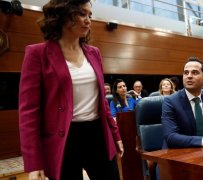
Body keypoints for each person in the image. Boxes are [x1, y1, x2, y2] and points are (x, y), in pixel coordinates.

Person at [18, 1, 124, 179]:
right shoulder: (37, 54)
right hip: (63, 139)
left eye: (90, 15)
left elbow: (102, 101)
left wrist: (115, 134)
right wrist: (34, 162)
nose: (88, 20)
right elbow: (29, 112)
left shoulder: (94, 53)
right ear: (63, 14)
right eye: (82, 14)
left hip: (97, 134)